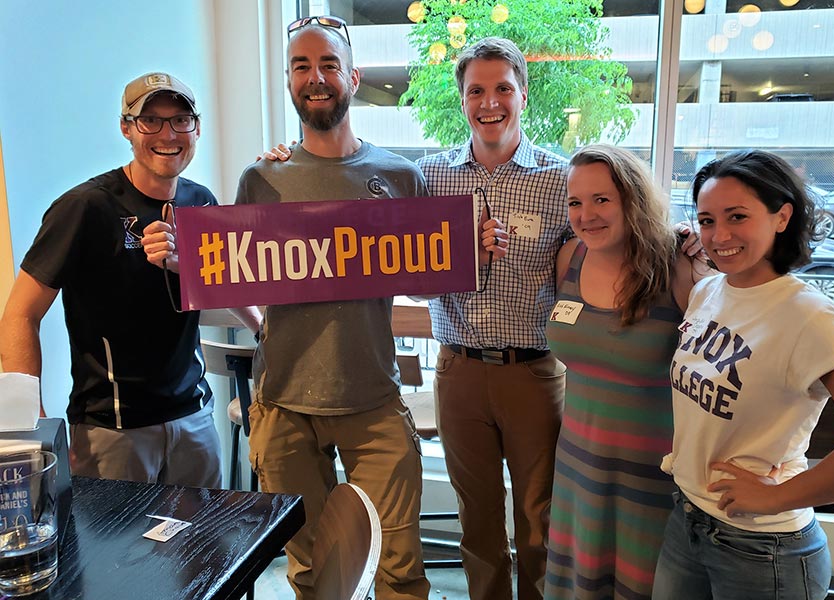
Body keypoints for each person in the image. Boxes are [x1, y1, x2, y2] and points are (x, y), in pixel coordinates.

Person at [235, 17, 499, 600]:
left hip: (374, 401)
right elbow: (236, 275)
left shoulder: (399, 175)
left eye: (328, 64)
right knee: (312, 572)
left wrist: (465, 253)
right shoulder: (262, 178)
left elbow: (428, 285)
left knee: (400, 572)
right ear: (288, 81)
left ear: (351, 76)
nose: (316, 77)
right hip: (283, 406)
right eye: (302, 66)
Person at [652, 150, 834, 600]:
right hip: (687, 519)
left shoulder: (809, 316)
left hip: (762, 547)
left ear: (782, 216)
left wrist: (777, 496)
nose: (718, 234)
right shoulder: (709, 290)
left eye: (737, 216)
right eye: (707, 220)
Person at [0, 72, 259, 486]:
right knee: (118, 552)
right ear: (126, 127)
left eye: (180, 120)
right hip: (112, 430)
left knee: (203, 547)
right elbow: (19, 315)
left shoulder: (201, 201)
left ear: (196, 128)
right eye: (150, 120)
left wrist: (263, 330)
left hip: (194, 419)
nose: (167, 133)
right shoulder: (85, 207)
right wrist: (31, 421)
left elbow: (222, 281)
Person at [415, 37, 571, 600]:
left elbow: (596, 256)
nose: (490, 102)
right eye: (476, 90)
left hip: (534, 372)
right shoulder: (429, 178)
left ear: (523, 96)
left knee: (539, 520)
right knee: (476, 519)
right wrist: (464, 257)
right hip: (458, 371)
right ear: (462, 101)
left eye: (502, 88)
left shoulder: (560, 179)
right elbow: (410, 282)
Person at [543, 145, 700, 600]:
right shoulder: (569, 257)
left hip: (652, 480)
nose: (586, 214)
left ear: (633, 199)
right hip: (577, 468)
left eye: (601, 199)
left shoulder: (680, 266)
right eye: (575, 202)